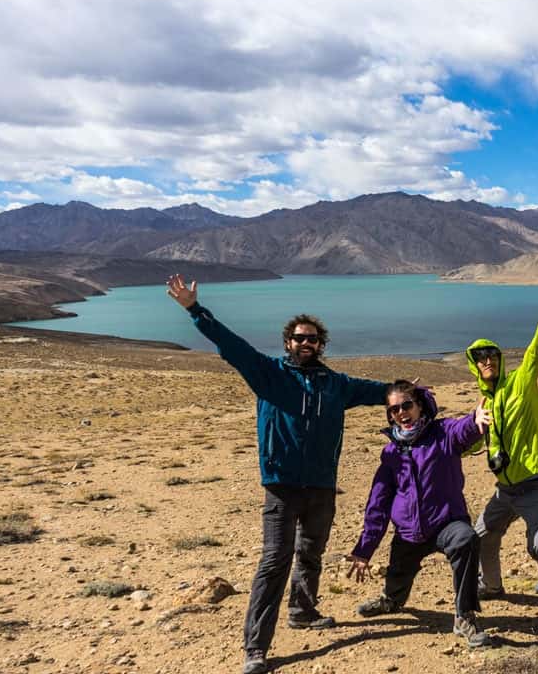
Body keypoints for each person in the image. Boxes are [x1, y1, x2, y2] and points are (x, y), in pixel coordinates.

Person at [166, 274, 390, 674]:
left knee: (311, 553)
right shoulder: (269, 374)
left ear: (321, 345)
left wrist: (407, 391)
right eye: (300, 338)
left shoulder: (336, 385)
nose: (307, 344)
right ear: (288, 342)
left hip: (321, 485)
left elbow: (380, 392)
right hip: (282, 487)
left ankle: (302, 611)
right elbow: (231, 346)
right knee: (274, 561)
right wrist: (195, 310)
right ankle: (256, 647)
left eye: (314, 339)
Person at [344, 381, 493, 648]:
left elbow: (463, 431)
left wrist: (475, 421)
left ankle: (464, 616)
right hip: (409, 531)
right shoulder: (391, 452)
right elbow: (378, 502)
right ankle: (391, 600)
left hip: (446, 522)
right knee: (398, 573)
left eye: (406, 405)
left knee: (466, 539)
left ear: (420, 406)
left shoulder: (442, 433)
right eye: (394, 409)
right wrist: (365, 549)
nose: (400, 412)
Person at [467, 282, 538, 637]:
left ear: (500, 360)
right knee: (480, 535)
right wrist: (471, 427)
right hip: (506, 488)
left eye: (492, 356)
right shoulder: (483, 404)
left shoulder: (520, 382)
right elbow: (470, 448)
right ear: (474, 366)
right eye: (480, 358)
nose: (487, 362)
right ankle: (493, 586)